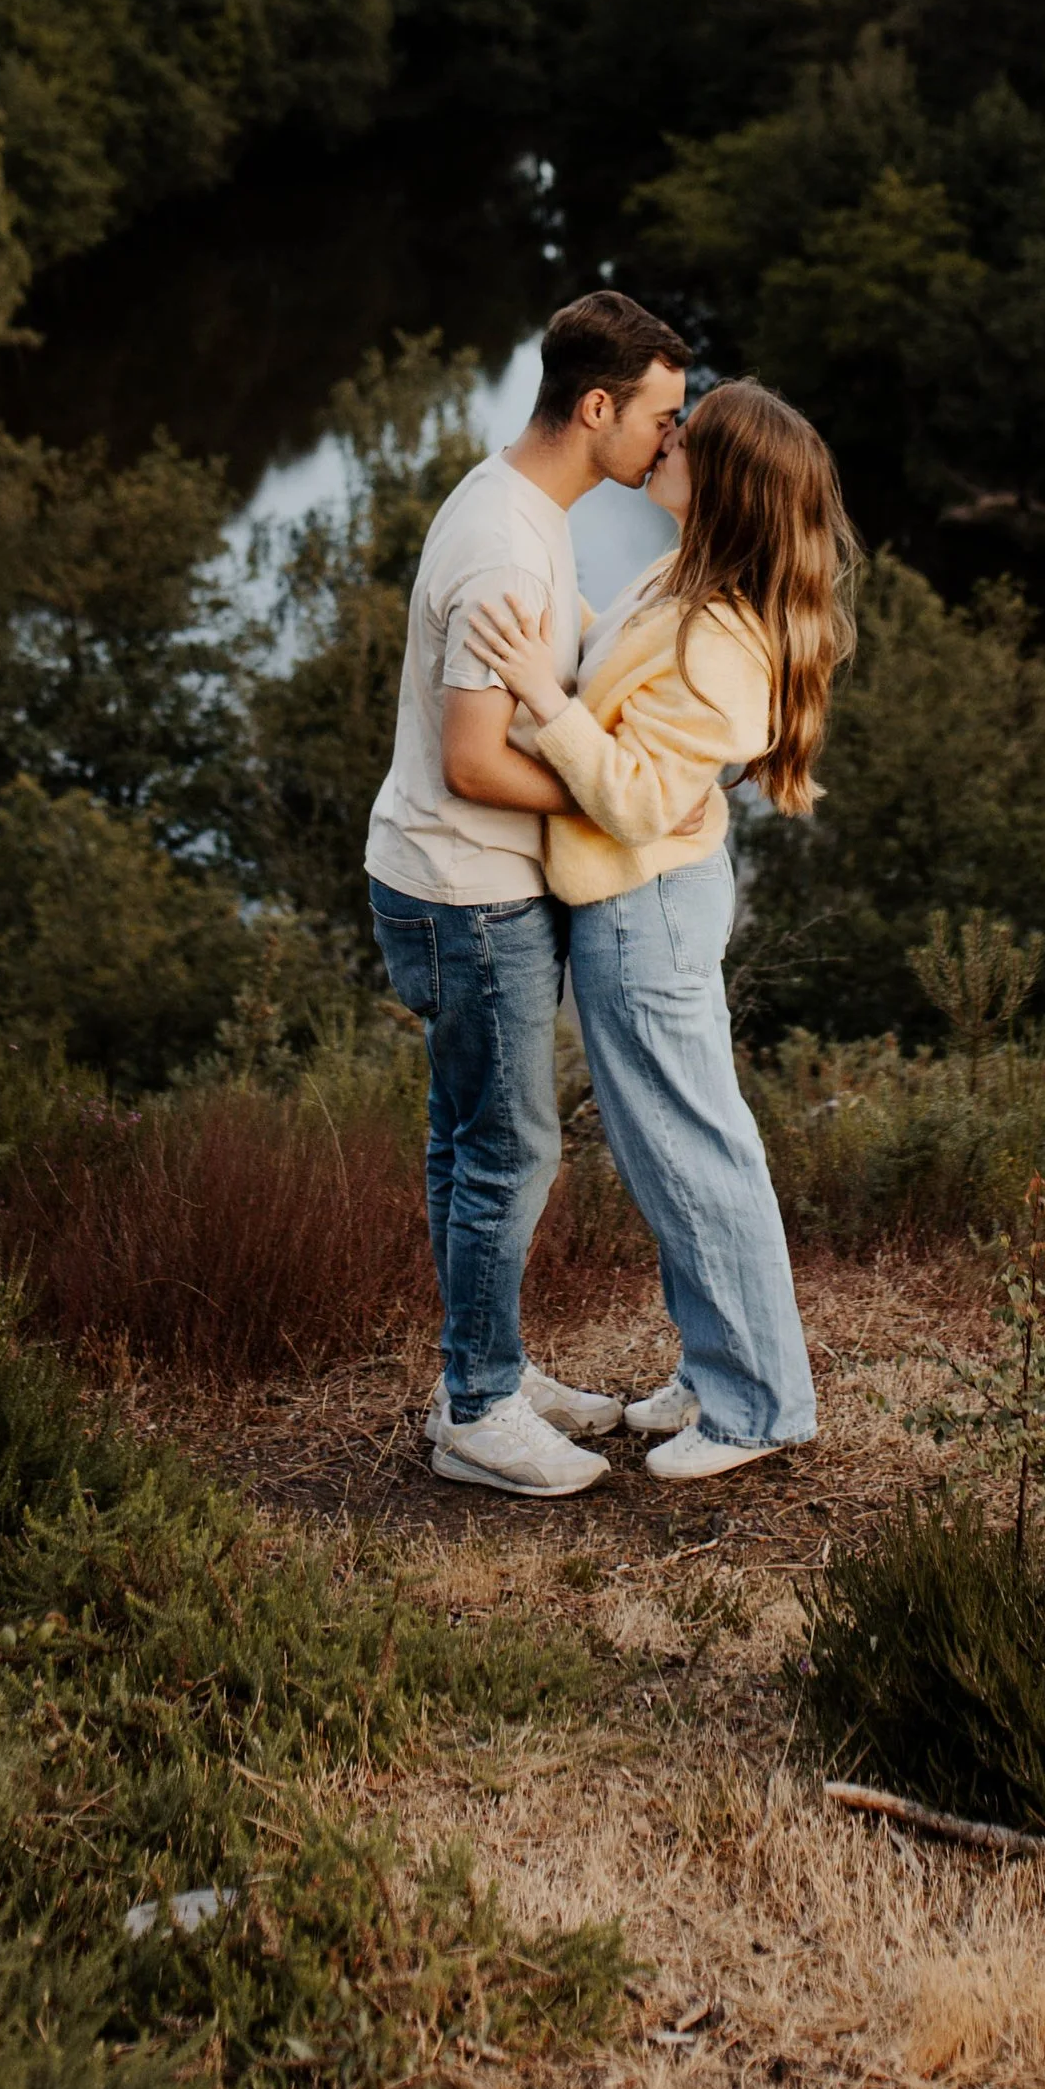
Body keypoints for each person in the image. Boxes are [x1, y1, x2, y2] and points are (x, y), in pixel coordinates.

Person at [465, 376, 857, 1484]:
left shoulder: (725, 638)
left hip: (647, 912)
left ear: (724, 481)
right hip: (636, 903)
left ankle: (756, 1407)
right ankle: (718, 1361)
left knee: (693, 1157)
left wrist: (540, 701)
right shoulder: (680, 576)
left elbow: (634, 796)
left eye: (687, 433)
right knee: (668, 1152)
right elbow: (619, 675)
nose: (665, 439)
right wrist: (555, 636)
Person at [365, 289, 693, 1499]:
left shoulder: (523, 501)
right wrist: (615, 801)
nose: (671, 439)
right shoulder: (509, 539)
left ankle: (480, 1367)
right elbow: (470, 757)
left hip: (450, 882)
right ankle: (479, 1412)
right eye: (658, 417)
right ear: (595, 406)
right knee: (511, 1153)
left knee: (469, 1144)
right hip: (467, 895)